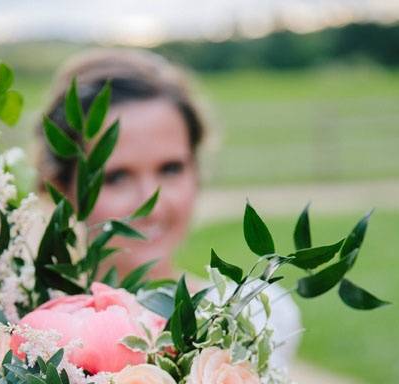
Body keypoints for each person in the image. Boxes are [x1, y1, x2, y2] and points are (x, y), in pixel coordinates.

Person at [35, 48, 301, 368]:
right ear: (62, 188)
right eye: (117, 176)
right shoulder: (31, 334)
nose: (152, 202)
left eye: (171, 169)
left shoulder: (257, 315)